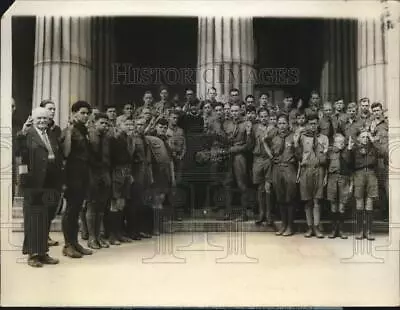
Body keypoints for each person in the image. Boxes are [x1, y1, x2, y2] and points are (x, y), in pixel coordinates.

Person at [17, 107, 62, 267]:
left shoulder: (51, 134)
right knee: (33, 219)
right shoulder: (27, 135)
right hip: (34, 184)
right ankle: (33, 254)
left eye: (45, 118)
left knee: (45, 219)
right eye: (39, 119)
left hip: (50, 183)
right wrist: (24, 183)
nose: (42, 121)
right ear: (33, 120)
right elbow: (21, 160)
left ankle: (43, 252)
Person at [61, 100, 93, 258]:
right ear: (74, 113)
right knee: (71, 210)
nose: (85, 116)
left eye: (87, 113)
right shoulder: (70, 130)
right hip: (72, 176)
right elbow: (65, 155)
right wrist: (65, 182)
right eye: (82, 113)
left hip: (82, 175)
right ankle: (68, 245)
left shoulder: (83, 130)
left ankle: (75, 243)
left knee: (76, 210)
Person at [295, 113, 329, 238]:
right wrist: (296, 141)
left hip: (319, 170)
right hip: (306, 170)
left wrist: (325, 173)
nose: (313, 126)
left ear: (318, 124)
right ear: (307, 124)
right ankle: (309, 227)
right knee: (307, 201)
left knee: (317, 200)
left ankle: (317, 227)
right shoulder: (302, 137)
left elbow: (326, 158)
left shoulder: (324, 138)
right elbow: (298, 155)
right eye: (310, 124)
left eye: (315, 123)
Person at [85, 113, 113, 249]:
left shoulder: (108, 138)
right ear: (94, 122)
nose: (105, 126)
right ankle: (91, 237)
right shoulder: (89, 136)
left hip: (105, 174)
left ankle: (99, 236)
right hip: (92, 174)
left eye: (107, 124)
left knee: (101, 206)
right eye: (102, 123)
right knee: (91, 205)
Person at [351, 130, 384, 240]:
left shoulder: (373, 148)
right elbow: (349, 162)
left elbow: (381, 151)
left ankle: (369, 231)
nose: (365, 138)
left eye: (367, 137)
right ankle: (360, 231)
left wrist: (373, 139)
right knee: (359, 203)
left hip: (371, 174)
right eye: (363, 137)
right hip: (359, 174)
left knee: (369, 202)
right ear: (359, 138)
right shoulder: (354, 149)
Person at [222, 103, 252, 221]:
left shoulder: (246, 124)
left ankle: (244, 214)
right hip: (229, 156)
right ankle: (228, 213)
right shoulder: (226, 124)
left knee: (241, 184)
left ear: (241, 111)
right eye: (232, 111)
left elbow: (249, 145)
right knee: (227, 183)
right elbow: (225, 140)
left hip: (240, 156)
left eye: (236, 111)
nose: (234, 113)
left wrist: (236, 149)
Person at [108, 117, 135, 245]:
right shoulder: (113, 139)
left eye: (131, 124)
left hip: (126, 170)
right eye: (126, 123)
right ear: (118, 125)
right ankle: (112, 235)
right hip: (117, 171)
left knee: (122, 202)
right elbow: (110, 158)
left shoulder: (128, 139)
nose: (129, 126)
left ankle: (119, 233)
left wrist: (129, 174)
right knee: (115, 202)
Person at [270, 114, 297, 236]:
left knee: (289, 197)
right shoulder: (274, 137)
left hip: (289, 167)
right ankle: (283, 225)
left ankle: (290, 226)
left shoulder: (293, 137)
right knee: (280, 197)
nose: (282, 126)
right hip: (277, 168)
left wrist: (296, 145)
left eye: (284, 123)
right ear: (277, 124)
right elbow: (267, 148)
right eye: (279, 123)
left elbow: (299, 155)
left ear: (288, 124)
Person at [39, 99, 62, 247]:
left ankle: (45, 236)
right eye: (49, 109)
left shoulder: (56, 130)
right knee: (42, 207)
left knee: (52, 207)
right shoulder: (37, 127)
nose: (52, 111)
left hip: (55, 173)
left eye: (54, 109)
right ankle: (40, 238)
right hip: (42, 175)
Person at [250, 108, 275, 227]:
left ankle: (269, 214)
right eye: (262, 116)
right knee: (260, 187)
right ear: (258, 117)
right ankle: (261, 213)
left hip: (268, 159)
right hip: (257, 159)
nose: (264, 118)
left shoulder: (273, 129)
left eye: (266, 116)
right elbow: (250, 144)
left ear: (269, 117)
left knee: (268, 187)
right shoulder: (254, 128)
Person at [325, 134, 353, 239]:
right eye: (338, 142)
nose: (341, 144)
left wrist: (349, 149)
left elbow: (351, 165)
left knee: (342, 206)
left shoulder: (347, 152)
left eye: (342, 142)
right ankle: (333, 230)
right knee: (333, 204)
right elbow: (325, 165)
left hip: (344, 179)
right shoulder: (330, 152)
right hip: (332, 178)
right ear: (334, 142)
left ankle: (341, 230)